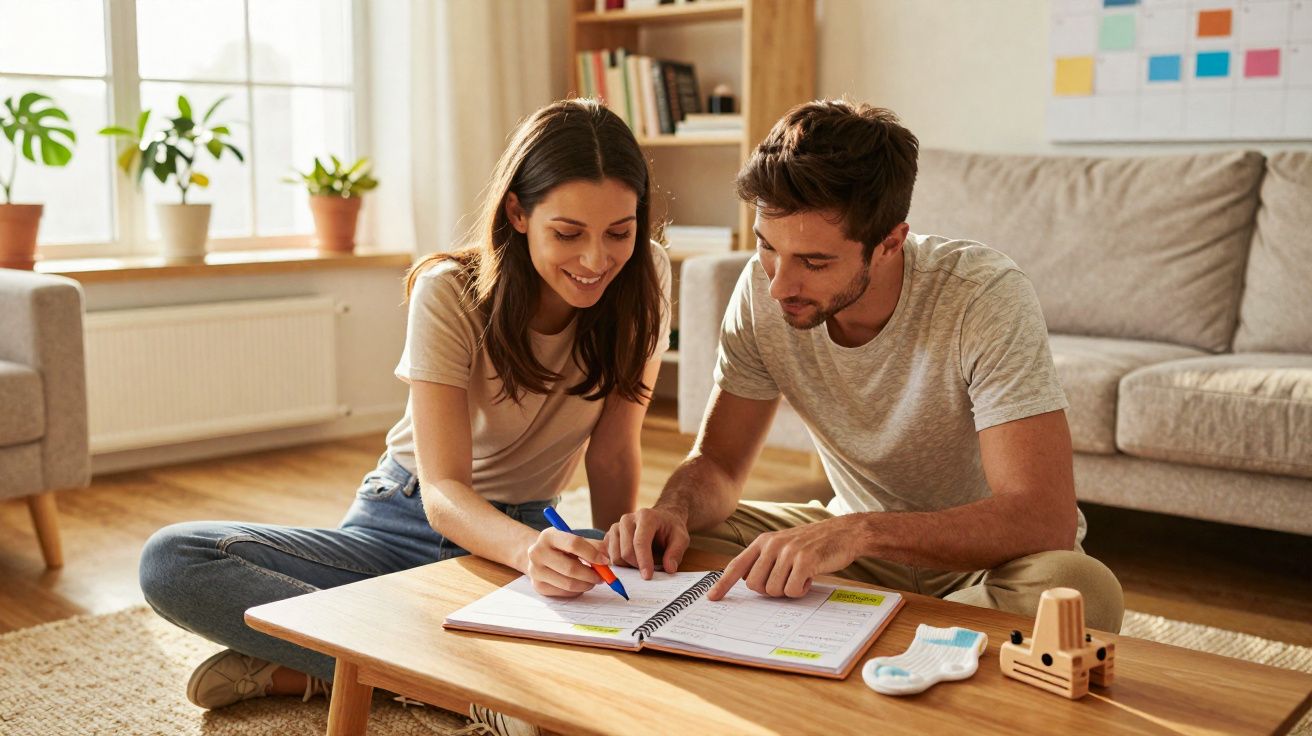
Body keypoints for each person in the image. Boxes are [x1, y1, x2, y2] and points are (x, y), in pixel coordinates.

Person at [139, 98, 671, 711]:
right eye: (568, 233)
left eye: (619, 233)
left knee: (633, 584)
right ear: (519, 213)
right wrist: (529, 555)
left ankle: (348, 670)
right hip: (404, 528)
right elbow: (444, 489)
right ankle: (444, 685)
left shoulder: (646, 280)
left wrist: (617, 568)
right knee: (174, 560)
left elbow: (612, 453)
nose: (596, 260)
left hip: (525, 532)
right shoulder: (451, 291)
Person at [604, 100, 1123, 632]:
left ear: (890, 243)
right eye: (767, 248)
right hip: (854, 555)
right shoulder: (764, 292)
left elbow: (1044, 516)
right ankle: (902, 638)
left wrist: (861, 532)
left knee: (1082, 593)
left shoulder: (982, 297)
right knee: (683, 547)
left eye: (814, 261)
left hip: (987, 567)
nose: (780, 283)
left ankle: (850, 631)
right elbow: (716, 464)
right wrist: (672, 510)